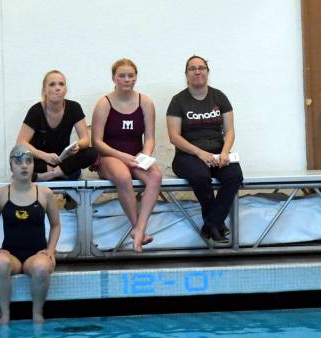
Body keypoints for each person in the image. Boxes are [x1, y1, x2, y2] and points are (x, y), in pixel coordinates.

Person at [166, 55, 243, 246]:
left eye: (201, 68)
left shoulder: (219, 97)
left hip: (218, 153)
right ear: (186, 74)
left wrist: (225, 152)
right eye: (192, 68)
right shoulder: (178, 101)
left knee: (234, 175)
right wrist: (200, 153)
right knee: (201, 177)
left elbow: (230, 130)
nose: (197, 71)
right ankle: (217, 226)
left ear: (208, 72)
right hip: (188, 156)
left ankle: (211, 224)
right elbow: (174, 137)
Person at [91, 58, 162, 253]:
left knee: (155, 176)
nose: (126, 79)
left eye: (131, 76)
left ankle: (140, 229)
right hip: (110, 157)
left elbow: (149, 137)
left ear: (136, 78)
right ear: (114, 78)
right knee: (123, 177)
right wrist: (122, 156)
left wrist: (145, 157)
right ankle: (135, 226)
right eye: (122, 76)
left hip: (135, 156)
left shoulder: (145, 102)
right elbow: (96, 142)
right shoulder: (104, 103)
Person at [0, 145, 61, 324]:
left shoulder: (45, 193)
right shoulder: (0, 195)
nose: (24, 166)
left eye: (28, 161)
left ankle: (37, 314)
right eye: (18, 162)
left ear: (34, 166)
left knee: (42, 268)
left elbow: (56, 225)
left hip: (37, 254)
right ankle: (4, 315)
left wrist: (50, 250)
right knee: (0, 263)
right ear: (11, 166)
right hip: (10, 254)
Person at [17, 69, 99, 181]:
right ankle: (64, 173)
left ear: (65, 89)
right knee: (18, 158)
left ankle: (51, 174)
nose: (57, 88)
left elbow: (85, 139)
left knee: (92, 153)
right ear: (44, 90)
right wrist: (44, 155)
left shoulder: (74, 108)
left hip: (62, 160)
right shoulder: (36, 111)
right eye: (52, 84)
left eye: (61, 84)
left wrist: (78, 145)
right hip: (40, 161)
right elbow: (21, 142)